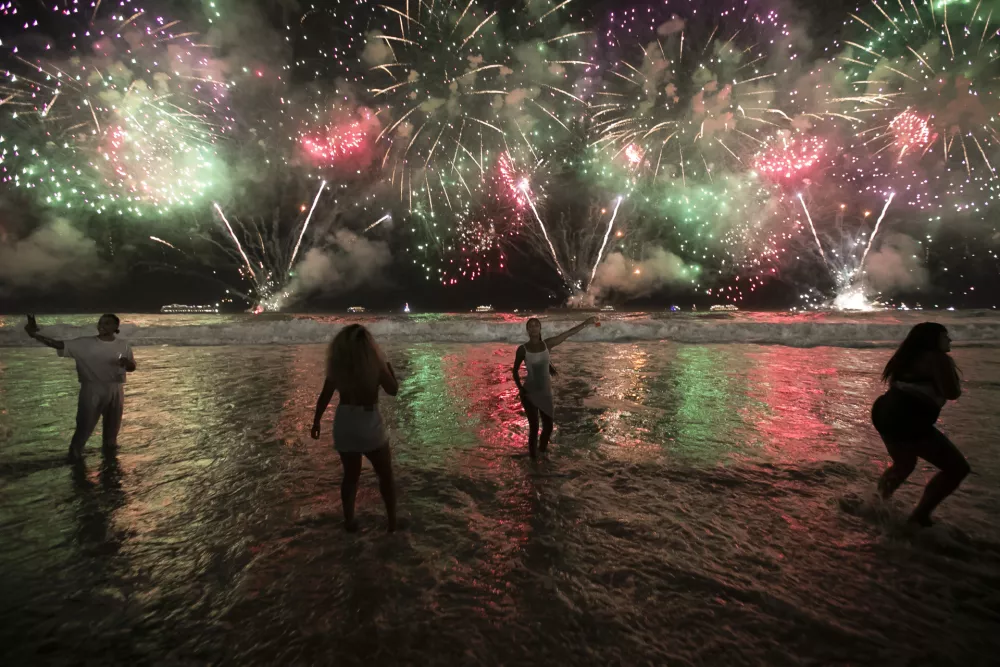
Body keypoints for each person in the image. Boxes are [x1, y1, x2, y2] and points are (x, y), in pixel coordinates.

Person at [871, 322, 969, 527]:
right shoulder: (937, 358)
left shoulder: (904, 357)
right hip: (908, 417)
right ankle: (920, 516)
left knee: (904, 464)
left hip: (885, 411)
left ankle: (876, 504)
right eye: (945, 336)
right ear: (933, 339)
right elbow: (952, 393)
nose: (950, 340)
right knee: (957, 468)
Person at [311, 324, 400, 532]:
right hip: (368, 422)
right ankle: (392, 524)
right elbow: (393, 390)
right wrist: (389, 369)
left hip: (344, 422)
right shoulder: (376, 364)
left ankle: (349, 521)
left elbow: (325, 395)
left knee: (351, 475)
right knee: (385, 475)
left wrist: (316, 422)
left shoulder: (338, 365)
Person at [24, 314, 137, 464]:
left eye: (107, 323)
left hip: (116, 389)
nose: (102, 325)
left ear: (116, 327)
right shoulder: (84, 344)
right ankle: (74, 460)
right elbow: (57, 344)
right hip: (92, 389)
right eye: (100, 322)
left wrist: (127, 363)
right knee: (84, 429)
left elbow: (132, 367)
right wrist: (34, 335)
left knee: (112, 434)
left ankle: (110, 467)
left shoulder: (123, 345)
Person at [512, 316, 598, 458]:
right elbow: (515, 370)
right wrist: (520, 388)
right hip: (530, 393)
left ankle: (542, 451)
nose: (533, 328)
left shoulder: (548, 344)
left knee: (548, 427)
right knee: (534, 428)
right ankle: (533, 461)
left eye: (536, 325)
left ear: (540, 328)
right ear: (528, 330)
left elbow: (567, 333)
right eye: (530, 326)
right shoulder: (522, 349)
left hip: (545, 393)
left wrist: (585, 322)